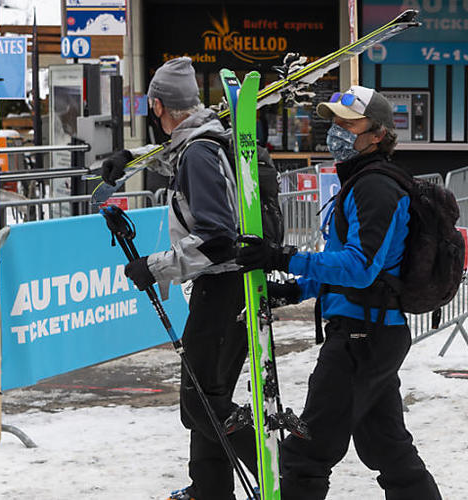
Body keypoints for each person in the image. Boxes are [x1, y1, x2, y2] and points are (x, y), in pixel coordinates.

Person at [237, 85, 442, 500]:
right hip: (370, 332)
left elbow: (360, 268)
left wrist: (283, 257)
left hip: (363, 336)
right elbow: (340, 263)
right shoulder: (360, 182)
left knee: (307, 453)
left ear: (378, 133)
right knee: (389, 449)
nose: (337, 131)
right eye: (334, 121)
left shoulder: (376, 188)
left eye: (349, 123)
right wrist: (295, 291)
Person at [100, 56, 256, 500]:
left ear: (157, 105)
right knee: (206, 394)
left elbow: (217, 240)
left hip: (223, 287)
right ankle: (209, 488)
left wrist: (153, 267)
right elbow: (178, 159)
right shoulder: (202, 141)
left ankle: (282, 469)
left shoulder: (200, 153)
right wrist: (129, 159)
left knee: (201, 401)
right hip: (228, 288)